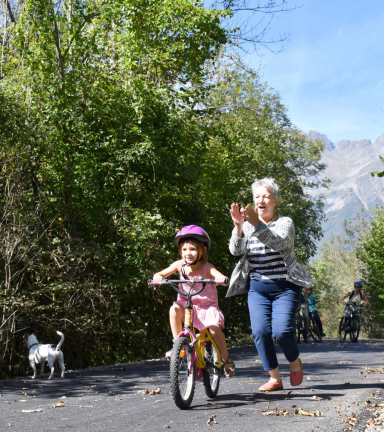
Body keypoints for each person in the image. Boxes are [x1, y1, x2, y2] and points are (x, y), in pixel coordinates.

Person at [229, 177, 313, 392]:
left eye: (266, 196)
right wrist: (239, 227)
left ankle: (294, 361)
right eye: (257, 197)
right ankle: (274, 378)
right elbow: (235, 251)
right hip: (258, 287)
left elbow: (279, 242)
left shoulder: (285, 222)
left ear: (276, 201)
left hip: (285, 287)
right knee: (260, 331)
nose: (261, 200)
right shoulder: (247, 226)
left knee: (282, 332)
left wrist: (256, 224)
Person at [153, 225, 235, 378]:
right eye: (184, 250)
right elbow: (163, 272)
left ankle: (226, 358)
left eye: (192, 249)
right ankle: (179, 345)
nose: (188, 253)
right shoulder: (179, 265)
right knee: (173, 309)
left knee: (214, 329)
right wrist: (158, 276)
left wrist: (220, 279)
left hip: (206, 306)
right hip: (187, 305)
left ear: (202, 250)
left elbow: (218, 275)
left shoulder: (207, 267)